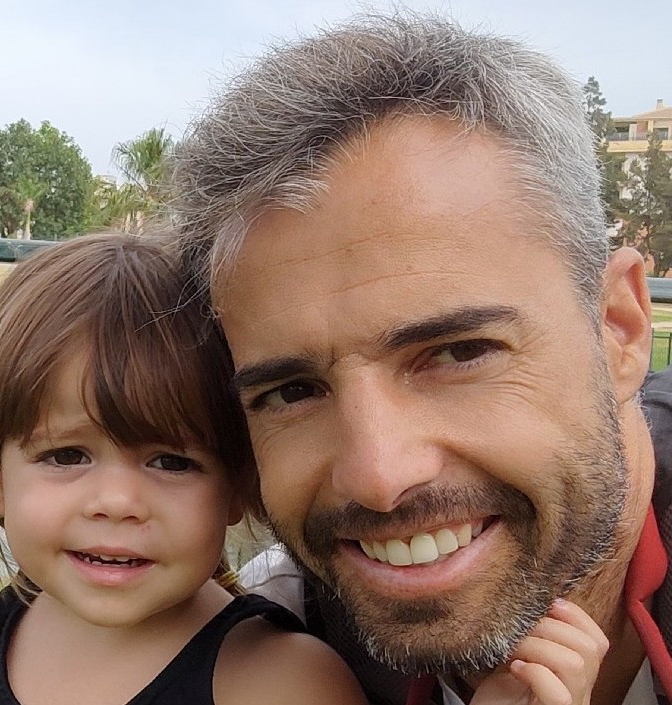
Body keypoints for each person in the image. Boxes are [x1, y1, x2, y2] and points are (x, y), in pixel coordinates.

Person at [173, 11, 672, 705]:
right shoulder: (274, 645)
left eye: (458, 352)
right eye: (292, 391)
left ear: (619, 329)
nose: (378, 478)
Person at [0, 232, 369, 705]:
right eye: (67, 456)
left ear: (239, 484)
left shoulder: (281, 684)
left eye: (172, 462)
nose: (117, 502)